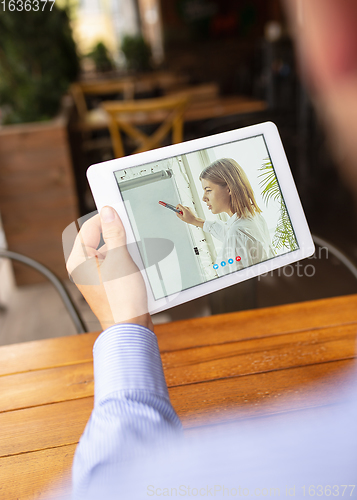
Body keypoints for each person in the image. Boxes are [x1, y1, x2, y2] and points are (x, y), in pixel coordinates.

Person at [65, 1, 357, 498]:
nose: (201, 202)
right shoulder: (233, 221)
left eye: (206, 192)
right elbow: (224, 228)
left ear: (337, 43)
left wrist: (127, 327)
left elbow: (113, 483)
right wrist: (196, 219)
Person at [176, 158, 275, 275]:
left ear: (228, 189)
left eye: (208, 190)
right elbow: (226, 231)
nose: (204, 198)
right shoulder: (253, 216)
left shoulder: (237, 233)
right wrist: (195, 220)